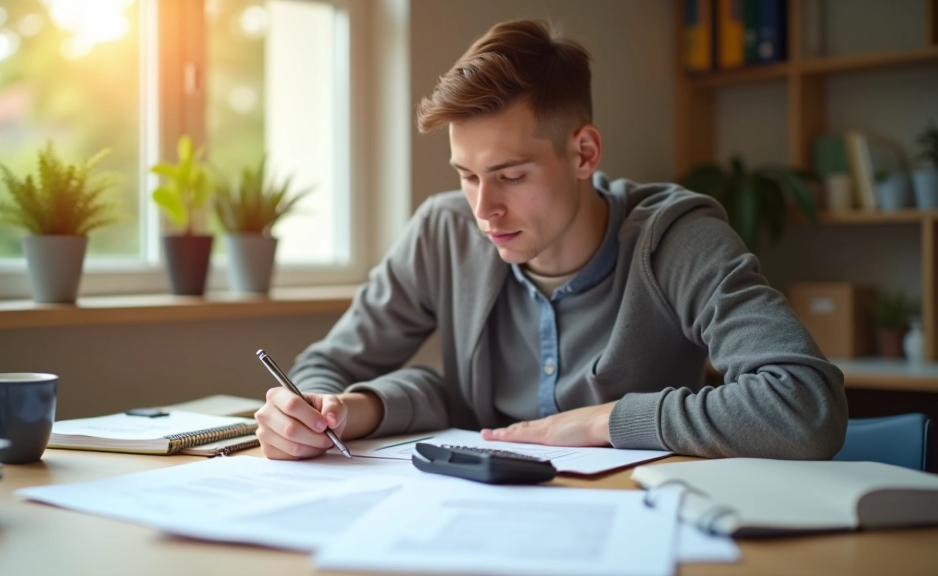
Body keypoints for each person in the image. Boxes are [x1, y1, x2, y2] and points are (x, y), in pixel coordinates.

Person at [254, 19, 847, 461]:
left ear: (583, 152)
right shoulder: (444, 232)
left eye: (511, 175)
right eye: (467, 176)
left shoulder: (676, 239)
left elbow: (805, 405)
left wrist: (606, 421)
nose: (484, 209)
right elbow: (327, 365)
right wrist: (311, 411)